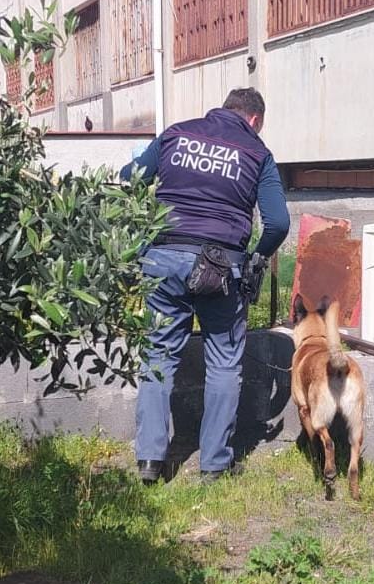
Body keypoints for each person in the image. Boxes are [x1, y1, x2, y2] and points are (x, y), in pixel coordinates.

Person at [120, 87, 290, 483]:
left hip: (164, 258)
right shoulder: (257, 152)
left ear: (224, 108)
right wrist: (257, 257)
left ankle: (150, 461)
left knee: (158, 356)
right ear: (255, 120)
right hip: (221, 267)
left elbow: (130, 178)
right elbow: (278, 223)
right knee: (224, 363)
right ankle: (214, 465)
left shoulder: (177, 133)